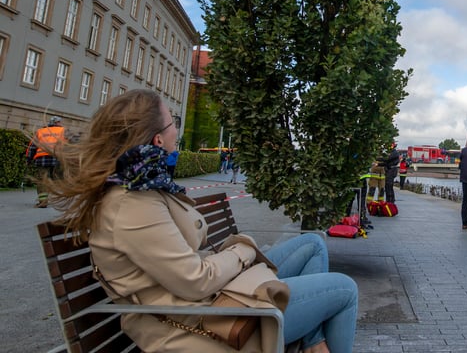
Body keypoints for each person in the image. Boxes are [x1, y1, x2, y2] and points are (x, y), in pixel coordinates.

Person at [43, 89, 357, 353]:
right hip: (203, 323)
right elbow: (195, 281)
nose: (175, 130)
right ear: (158, 140)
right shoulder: (131, 203)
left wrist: (234, 257)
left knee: (313, 244)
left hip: (211, 299)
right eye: (172, 123)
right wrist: (242, 252)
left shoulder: (142, 187)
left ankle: (314, 343)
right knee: (344, 290)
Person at [27, 115, 66, 208]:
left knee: (42, 180)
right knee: (59, 179)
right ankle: (63, 200)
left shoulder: (40, 131)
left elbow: (32, 147)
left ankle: (43, 201)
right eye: (59, 122)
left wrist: (28, 159)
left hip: (42, 159)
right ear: (57, 123)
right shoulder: (64, 131)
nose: (61, 124)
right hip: (58, 158)